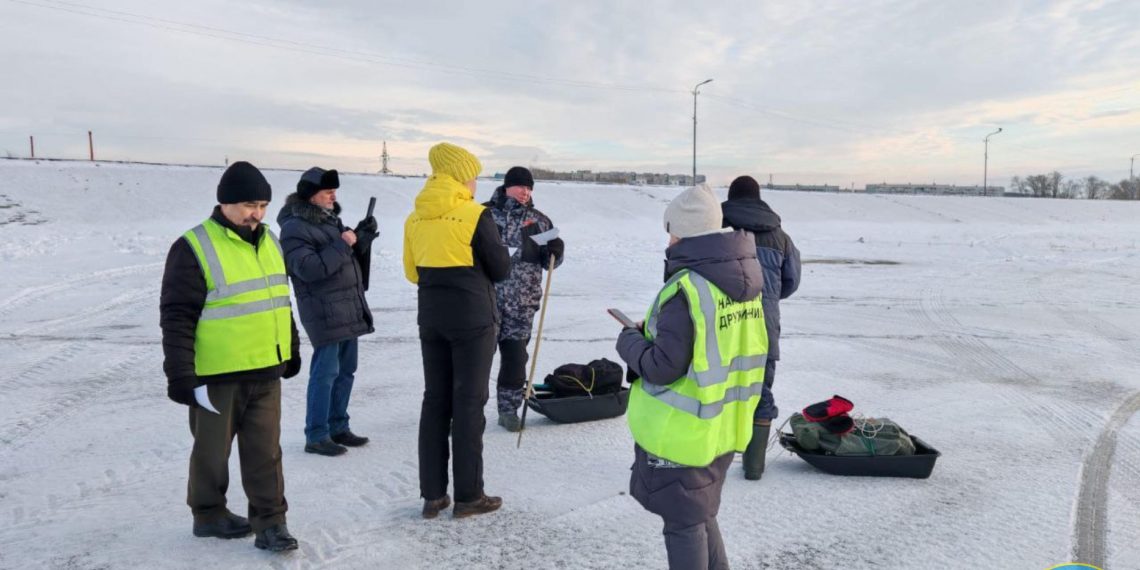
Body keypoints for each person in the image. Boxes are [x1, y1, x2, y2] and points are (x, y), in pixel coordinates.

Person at [616, 183, 768, 569]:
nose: (668, 240)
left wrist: (628, 341)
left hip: (682, 433)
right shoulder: (745, 279)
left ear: (683, 232)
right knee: (700, 513)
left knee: (684, 522)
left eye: (670, 231)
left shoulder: (688, 288)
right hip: (722, 426)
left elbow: (663, 367)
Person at [160, 161, 301, 552]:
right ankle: (208, 514)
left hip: (265, 368)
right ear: (225, 203)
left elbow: (279, 299)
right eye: (249, 205)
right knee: (211, 451)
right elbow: (176, 315)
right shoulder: (193, 246)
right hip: (216, 374)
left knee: (266, 452)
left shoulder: (270, 241)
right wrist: (180, 374)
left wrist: (290, 347)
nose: (256, 214)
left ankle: (271, 523)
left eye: (263, 205)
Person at [403, 142, 511, 519]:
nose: (476, 183)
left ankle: (433, 495)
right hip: (472, 320)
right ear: (461, 177)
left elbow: (411, 272)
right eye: (474, 176)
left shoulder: (415, 218)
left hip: (431, 318)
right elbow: (501, 269)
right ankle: (469, 495)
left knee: (435, 400)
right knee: (468, 403)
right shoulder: (474, 215)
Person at [278, 167, 377, 457]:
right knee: (326, 373)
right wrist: (343, 243)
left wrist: (361, 238)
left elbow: (343, 259)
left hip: (346, 305)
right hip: (323, 309)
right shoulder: (294, 227)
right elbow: (309, 269)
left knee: (346, 371)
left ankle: (338, 426)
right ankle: (317, 434)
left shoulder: (329, 221)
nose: (333, 196)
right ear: (311, 196)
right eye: (327, 192)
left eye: (334, 191)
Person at [720, 175, 801, 480]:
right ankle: (754, 467)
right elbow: (791, 281)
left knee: (716, 389)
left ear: (731, 198)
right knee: (761, 391)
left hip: (722, 323)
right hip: (764, 327)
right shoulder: (781, 238)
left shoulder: (718, 230)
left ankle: (713, 460)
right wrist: (768, 297)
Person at [482, 166, 565, 431]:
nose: (525, 192)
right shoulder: (483, 215)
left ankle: (508, 411)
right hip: (485, 302)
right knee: (477, 361)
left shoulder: (539, 221)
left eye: (529, 188)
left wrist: (556, 251)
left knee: (515, 360)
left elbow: (550, 263)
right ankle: (468, 412)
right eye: (521, 186)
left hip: (522, 305)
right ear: (507, 186)